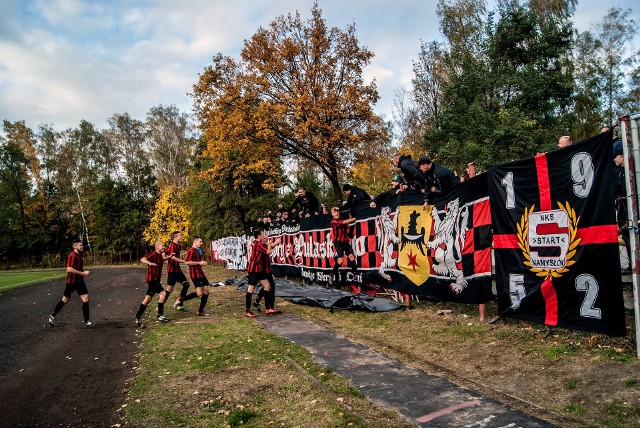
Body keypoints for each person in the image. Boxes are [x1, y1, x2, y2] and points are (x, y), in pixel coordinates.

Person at [48, 239, 94, 327]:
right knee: (65, 299)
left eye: (82, 245)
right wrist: (82, 273)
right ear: (75, 246)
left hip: (79, 281)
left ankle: (87, 321)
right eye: (80, 245)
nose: (82, 246)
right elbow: (69, 269)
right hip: (72, 282)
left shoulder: (80, 255)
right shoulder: (72, 256)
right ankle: (52, 316)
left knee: (85, 298)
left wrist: (81, 274)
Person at [135, 241, 174, 327]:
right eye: (163, 245)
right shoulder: (153, 254)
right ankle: (160, 315)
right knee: (163, 294)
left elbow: (161, 260)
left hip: (155, 280)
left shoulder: (160, 255)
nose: (164, 247)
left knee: (147, 299)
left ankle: (137, 317)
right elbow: (143, 259)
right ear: (157, 247)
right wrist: (149, 263)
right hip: (152, 280)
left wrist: (169, 257)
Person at [244, 230, 282, 317]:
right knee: (251, 289)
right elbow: (269, 251)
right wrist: (269, 244)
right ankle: (247, 311)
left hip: (259, 270)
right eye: (262, 235)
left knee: (267, 286)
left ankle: (267, 307)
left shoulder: (256, 243)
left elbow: (267, 249)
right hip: (254, 269)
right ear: (259, 236)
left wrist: (272, 244)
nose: (264, 236)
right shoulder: (257, 244)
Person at [161, 231, 191, 312]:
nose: (181, 236)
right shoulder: (173, 245)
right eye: (180, 235)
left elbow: (164, 253)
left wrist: (165, 259)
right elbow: (173, 257)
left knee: (186, 285)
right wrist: (184, 261)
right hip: (172, 271)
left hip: (177, 270)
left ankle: (179, 304)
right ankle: (160, 305)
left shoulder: (177, 245)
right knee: (169, 289)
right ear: (176, 237)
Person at [183, 236, 211, 317]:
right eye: (200, 241)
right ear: (195, 241)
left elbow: (197, 262)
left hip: (201, 274)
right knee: (199, 293)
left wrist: (202, 263)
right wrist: (199, 263)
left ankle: (200, 311)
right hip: (195, 274)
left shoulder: (197, 250)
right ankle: (181, 299)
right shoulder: (191, 251)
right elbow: (187, 262)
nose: (201, 243)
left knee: (206, 291)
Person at [330, 207, 357, 285]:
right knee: (340, 260)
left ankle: (355, 275)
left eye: (337, 212)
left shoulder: (341, 219)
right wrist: (356, 217)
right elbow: (345, 222)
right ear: (332, 214)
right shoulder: (334, 222)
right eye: (335, 212)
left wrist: (351, 217)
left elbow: (348, 223)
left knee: (352, 256)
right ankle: (332, 275)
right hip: (338, 242)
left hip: (345, 241)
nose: (337, 213)